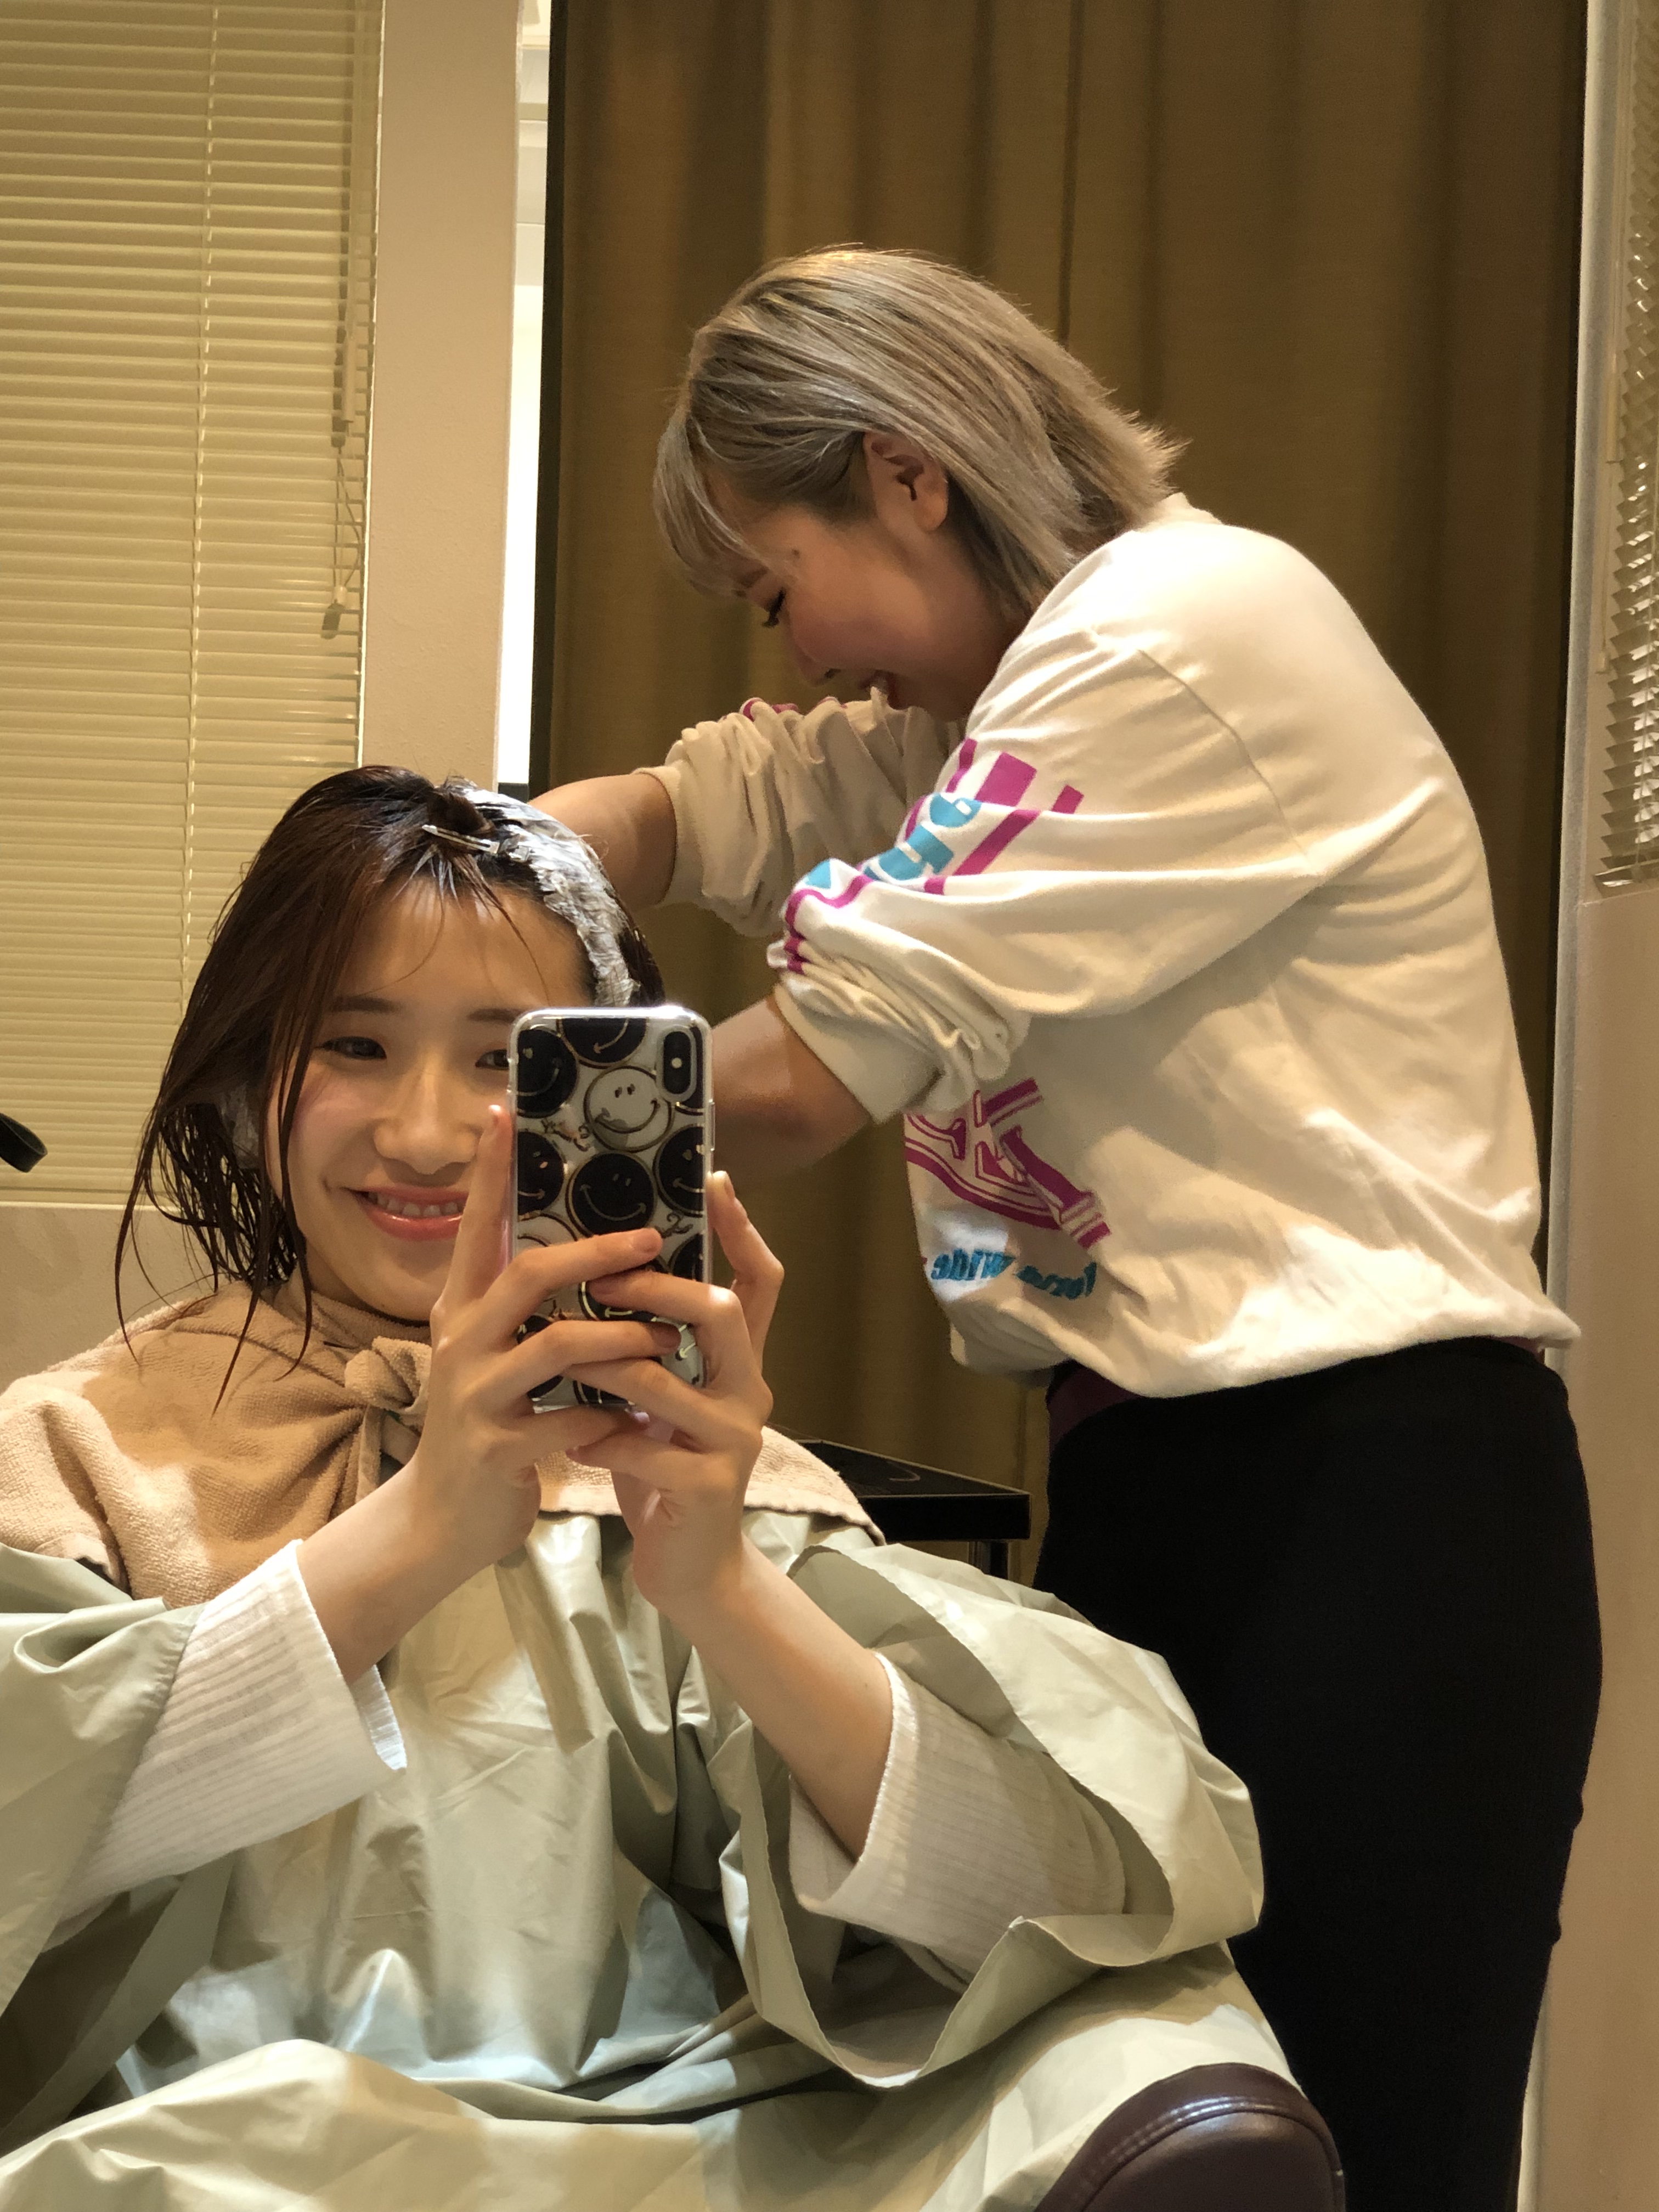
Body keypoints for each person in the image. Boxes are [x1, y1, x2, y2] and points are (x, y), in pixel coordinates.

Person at [537, 246, 1602, 2212]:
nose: (800, 652)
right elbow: (729, 800)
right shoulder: (1002, 694)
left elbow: (815, 1069)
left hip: (1371, 1500)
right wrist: (503, 858)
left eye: (779, 583)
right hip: (1163, 1474)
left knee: (1354, 2148)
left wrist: (480, 1103)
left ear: (908, 473)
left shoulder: (1177, 635)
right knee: (1149, 2138)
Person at [0, 766, 1285, 2208]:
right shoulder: (77, 1453)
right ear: (251, 1081)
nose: (425, 1134)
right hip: (199, 2153)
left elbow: (1057, 1899)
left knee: (1150, 2034)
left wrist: (722, 1586)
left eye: (510, 1062)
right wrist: (419, 1535)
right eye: (356, 1045)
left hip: (682, 2143)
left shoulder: (712, 1473)